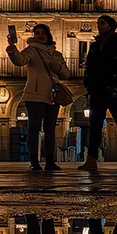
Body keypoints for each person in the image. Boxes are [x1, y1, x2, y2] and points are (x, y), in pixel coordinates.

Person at [8, 23, 71, 173]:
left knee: (50, 129)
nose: (40, 35)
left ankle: (50, 161)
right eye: (37, 33)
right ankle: (34, 161)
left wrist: (58, 67)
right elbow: (20, 60)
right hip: (34, 95)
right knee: (34, 128)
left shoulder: (56, 54)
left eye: (43, 32)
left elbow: (66, 74)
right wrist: (12, 49)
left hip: (52, 95)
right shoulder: (32, 50)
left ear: (48, 35)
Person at [79, 14, 117, 173]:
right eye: (98, 23)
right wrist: (88, 82)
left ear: (110, 25)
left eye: (102, 23)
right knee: (95, 125)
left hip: (114, 91)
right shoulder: (95, 46)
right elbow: (90, 67)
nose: (99, 25)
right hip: (97, 90)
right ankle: (91, 159)